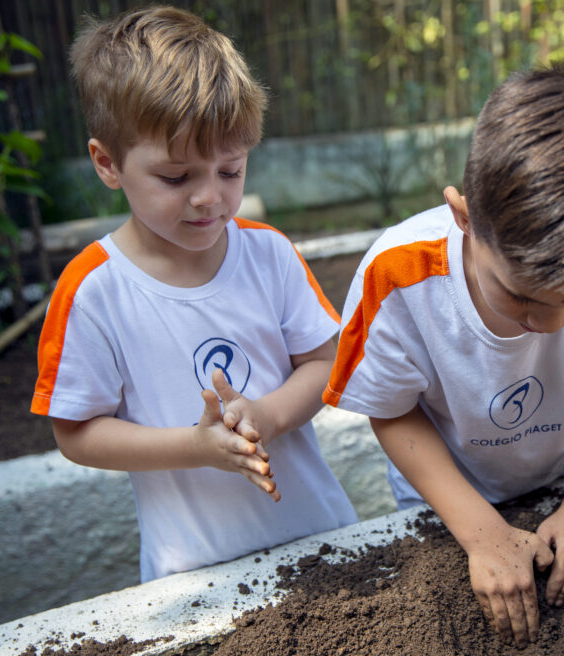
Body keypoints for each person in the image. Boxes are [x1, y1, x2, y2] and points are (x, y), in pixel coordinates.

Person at [324, 65, 564, 646]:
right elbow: (393, 412)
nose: (551, 325)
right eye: (522, 296)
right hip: (444, 505)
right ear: (465, 218)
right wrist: (481, 534)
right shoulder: (396, 278)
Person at [31, 6, 357, 583]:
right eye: (176, 177)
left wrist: (269, 415)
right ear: (107, 163)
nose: (210, 197)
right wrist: (197, 446)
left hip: (323, 544)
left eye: (230, 171)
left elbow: (325, 363)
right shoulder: (92, 291)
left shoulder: (269, 253)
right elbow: (76, 433)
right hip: (194, 577)